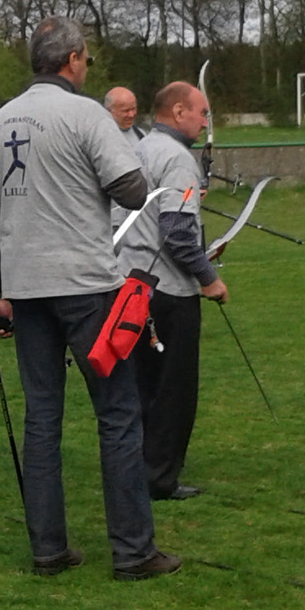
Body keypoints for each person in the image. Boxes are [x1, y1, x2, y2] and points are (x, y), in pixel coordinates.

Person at [0, 15, 180, 582]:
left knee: (42, 418)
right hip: (87, 287)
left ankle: (49, 549)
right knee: (117, 415)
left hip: (26, 291)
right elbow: (132, 190)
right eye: (86, 58)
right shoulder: (87, 114)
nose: (87, 66)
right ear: (72, 60)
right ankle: (133, 552)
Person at [115, 80, 227, 502]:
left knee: (142, 386)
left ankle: (137, 468)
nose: (204, 122)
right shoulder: (177, 158)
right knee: (172, 390)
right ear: (179, 112)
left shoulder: (138, 149)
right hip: (168, 293)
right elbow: (177, 232)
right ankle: (160, 478)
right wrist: (209, 278)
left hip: (132, 286)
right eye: (201, 113)